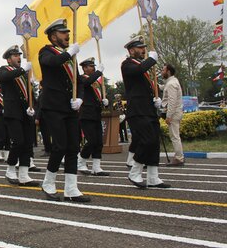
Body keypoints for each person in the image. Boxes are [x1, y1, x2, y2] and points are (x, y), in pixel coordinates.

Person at [39, 19, 90, 202]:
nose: (67, 35)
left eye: (68, 32)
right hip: (53, 106)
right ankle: (48, 182)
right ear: (53, 36)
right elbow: (52, 63)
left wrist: (80, 99)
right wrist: (69, 53)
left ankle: (71, 188)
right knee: (59, 145)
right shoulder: (45, 51)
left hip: (70, 108)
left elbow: (79, 82)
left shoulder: (71, 57)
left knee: (73, 147)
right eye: (63, 33)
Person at [121, 36, 170, 189]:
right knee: (146, 140)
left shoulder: (145, 68)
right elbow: (138, 70)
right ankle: (135, 171)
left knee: (154, 142)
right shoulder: (127, 64)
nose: (143, 50)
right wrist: (152, 60)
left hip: (148, 109)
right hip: (137, 110)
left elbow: (147, 86)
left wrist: (156, 99)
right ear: (131, 50)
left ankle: (153, 177)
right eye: (140, 48)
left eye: (144, 47)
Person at [0, 45, 39, 187]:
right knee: (18, 141)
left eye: (19, 55)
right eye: (15, 56)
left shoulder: (24, 74)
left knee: (28, 143)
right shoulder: (4, 70)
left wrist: (33, 108)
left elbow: (30, 94)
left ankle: (24, 174)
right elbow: (6, 77)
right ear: (9, 60)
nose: (18, 58)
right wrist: (23, 70)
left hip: (25, 112)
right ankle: (10, 169)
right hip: (13, 112)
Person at [76, 58, 110, 176]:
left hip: (96, 113)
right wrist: (99, 72)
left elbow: (96, 95)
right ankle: (81, 161)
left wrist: (104, 102)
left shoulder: (96, 81)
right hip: (86, 114)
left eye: (93, 66)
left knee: (99, 142)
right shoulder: (81, 78)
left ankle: (96, 167)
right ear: (84, 68)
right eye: (90, 66)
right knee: (91, 141)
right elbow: (87, 83)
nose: (93, 68)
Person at [162, 64, 184, 166]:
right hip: (176, 112)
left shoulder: (171, 84)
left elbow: (172, 101)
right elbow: (163, 88)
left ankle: (179, 158)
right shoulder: (172, 82)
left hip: (173, 113)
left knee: (175, 137)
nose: (162, 72)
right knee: (175, 136)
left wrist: (169, 116)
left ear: (168, 71)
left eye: (163, 70)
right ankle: (179, 156)